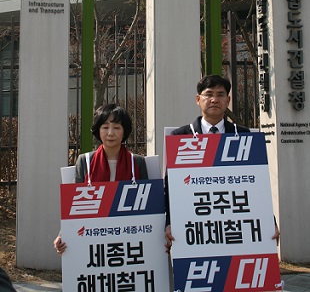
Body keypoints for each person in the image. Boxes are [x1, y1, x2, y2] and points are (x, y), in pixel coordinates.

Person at [164, 74, 280, 251]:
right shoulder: (180, 137)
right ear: (198, 99)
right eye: (208, 94)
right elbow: (170, 186)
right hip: (195, 226)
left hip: (234, 227)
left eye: (220, 95)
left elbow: (257, 185)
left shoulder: (244, 136)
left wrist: (269, 221)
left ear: (228, 100)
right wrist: (169, 222)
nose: (214, 99)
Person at [54, 104, 148, 255]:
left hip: (128, 235)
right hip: (93, 236)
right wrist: (62, 234)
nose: (110, 133)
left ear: (125, 131)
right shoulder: (85, 161)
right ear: (98, 130)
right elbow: (75, 204)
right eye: (105, 127)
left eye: (117, 127)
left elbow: (148, 207)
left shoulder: (136, 162)